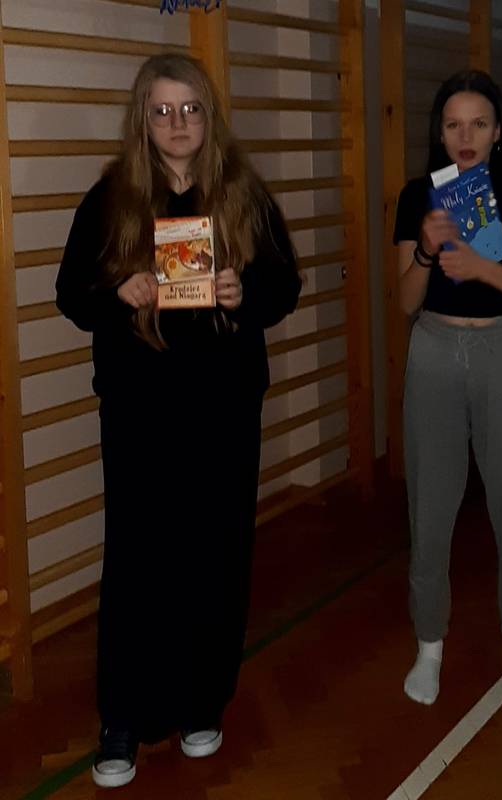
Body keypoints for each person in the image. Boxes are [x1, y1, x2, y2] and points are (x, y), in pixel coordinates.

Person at [55, 53, 301, 788]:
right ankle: (123, 719)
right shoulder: (111, 199)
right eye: (161, 110)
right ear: (142, 118)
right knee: (139, 560)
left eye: (189, 108)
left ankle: (201, 701)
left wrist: (243, 293)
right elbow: (71, 295)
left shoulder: (244, 192)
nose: (177, 123)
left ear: (208, 115)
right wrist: (119, 292)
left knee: (216, 554)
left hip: (224, 406)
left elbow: (284, 285)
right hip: (142, 410)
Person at [393, 70, 502, 708]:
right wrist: (426, 253)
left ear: (497, 132)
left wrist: (486, 268)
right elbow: (404, 300)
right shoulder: (420, 196)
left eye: (479, 124)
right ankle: (428, 645)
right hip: (434, 348)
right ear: (439, 133)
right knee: (430, 510)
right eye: (453, 125)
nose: (465, 136)